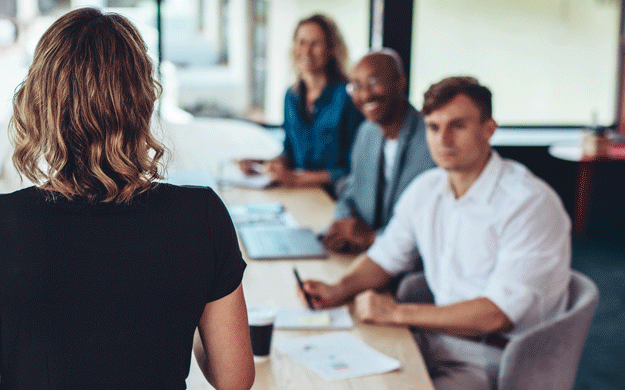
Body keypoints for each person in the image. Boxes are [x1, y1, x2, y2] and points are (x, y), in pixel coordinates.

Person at [0, 8, 254, 389]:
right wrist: (179, 300)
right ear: (144, 102)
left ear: (39, 104)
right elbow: (234, 378)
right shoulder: (202, 215)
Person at [299, 77, 571, 390]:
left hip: (497, 357)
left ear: (489, 129)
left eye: (458, 125)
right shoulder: (426, 189)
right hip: (431, 338)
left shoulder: (529, 203)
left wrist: (396, 312)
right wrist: (338, 288)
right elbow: (385, 257)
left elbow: (495, 315)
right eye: (433, 127)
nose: (444, 140)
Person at [322, 49, 435, 253]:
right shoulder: (366, 132)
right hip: (364, 255)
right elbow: (350, 190)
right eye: (356, 86)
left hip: (407, 263)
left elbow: (431, 225)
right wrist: (344, 223)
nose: (364, 94)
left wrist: (372, 238)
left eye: (374, 82)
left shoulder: (431, 140)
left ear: (401, 83)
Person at [240, 14, 363, 191]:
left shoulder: (348, 97)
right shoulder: (291, 96)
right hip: (300, 193)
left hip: (335, 196)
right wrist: (265, 164)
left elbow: (353, 169)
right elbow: (290, 151)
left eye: (315, 43)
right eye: (301, 42)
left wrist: (296, 179)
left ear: (330, 49)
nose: (306, 51)